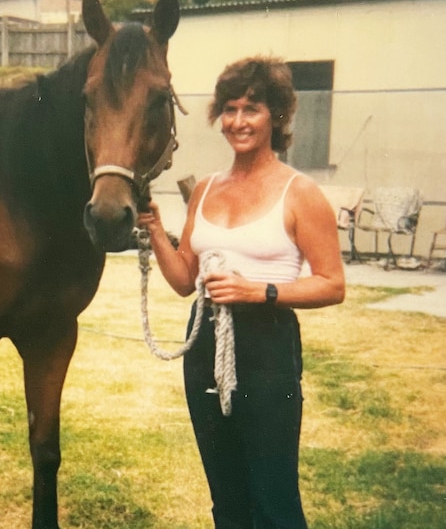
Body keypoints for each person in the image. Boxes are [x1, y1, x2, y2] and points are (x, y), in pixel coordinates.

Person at [137, 56, 345, 528]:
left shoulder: (300, 192)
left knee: (273, 498)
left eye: (251, 109)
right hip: (204, 343)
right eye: (229, 110)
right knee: (226, 496)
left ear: (276, 115)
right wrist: (155, 231)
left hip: (266, 345)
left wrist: (259, 291)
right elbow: (183, 281)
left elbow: (332, 284)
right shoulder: (207, 189)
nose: (237, 122)